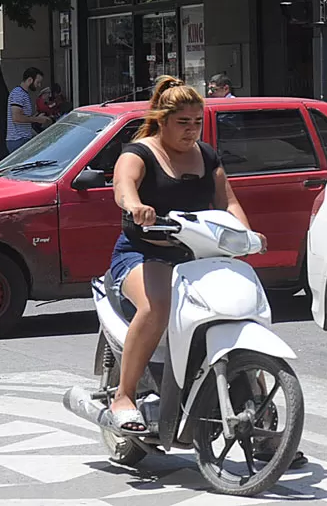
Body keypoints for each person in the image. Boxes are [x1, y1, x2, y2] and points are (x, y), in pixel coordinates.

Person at [106, 77, 262, 433]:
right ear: (162, 120)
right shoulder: (140, 152)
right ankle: (124, 397)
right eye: (182, 123)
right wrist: (136, 207)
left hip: (197, 256)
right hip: (143, 253)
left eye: (197, 122)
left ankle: (263, 418)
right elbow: (123, 186)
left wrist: (248, 235)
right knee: (156, 306)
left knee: (238, 310)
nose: (191, 130)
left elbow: (228, 202)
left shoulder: (206, 156)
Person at [6, 67, 50, 153]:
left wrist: (36, 118)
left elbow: (22, 117)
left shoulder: (22, 93)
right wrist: (38, 119)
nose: (39, 85)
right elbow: (16, 117)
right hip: (18, 140)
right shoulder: (18, 93)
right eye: (38, 82)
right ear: (30, 80)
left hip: (21, 139)